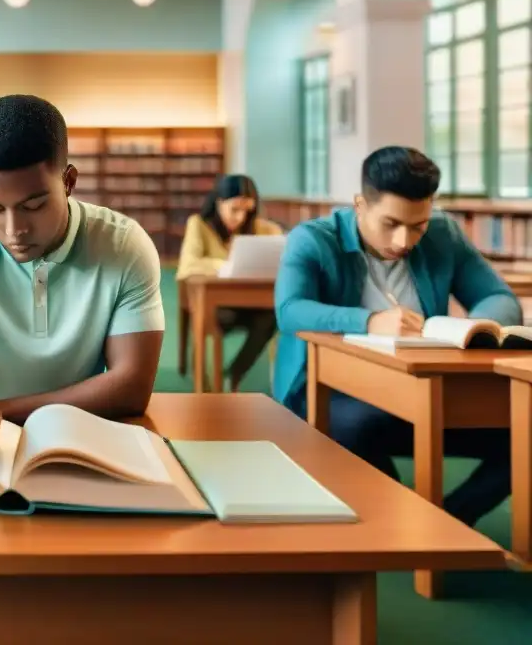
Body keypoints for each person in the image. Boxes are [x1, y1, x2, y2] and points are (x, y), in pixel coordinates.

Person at [0, 94, 165, 451]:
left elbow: (131, 387)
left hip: (79, 437)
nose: (13, 230)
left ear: (68, 182)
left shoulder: (125, 246)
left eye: (34, 206)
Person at [273, 146, 519, 527]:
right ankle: (406, 521)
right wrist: (369, 321)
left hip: (424, 389)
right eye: (390, 223)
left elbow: (498, 297)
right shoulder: (313, 239)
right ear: (359, 204)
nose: (405, 240)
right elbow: (289, 311)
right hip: (329, 392)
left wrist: (476, 327)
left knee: (524, 437)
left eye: (418, 225)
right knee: (359, 428)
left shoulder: (443, 233)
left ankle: (447, 522)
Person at [175, 174, 281, 391]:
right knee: (209, 317)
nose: (240, 217)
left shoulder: (264, 229)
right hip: (214, 304)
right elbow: (188, 264)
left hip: (250, 303)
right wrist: (226, 265)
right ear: (219, 202)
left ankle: (233, 374)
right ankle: (201, 378)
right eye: (234, 209)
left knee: (271, 318)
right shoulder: (198, 225)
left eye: (247, 210)